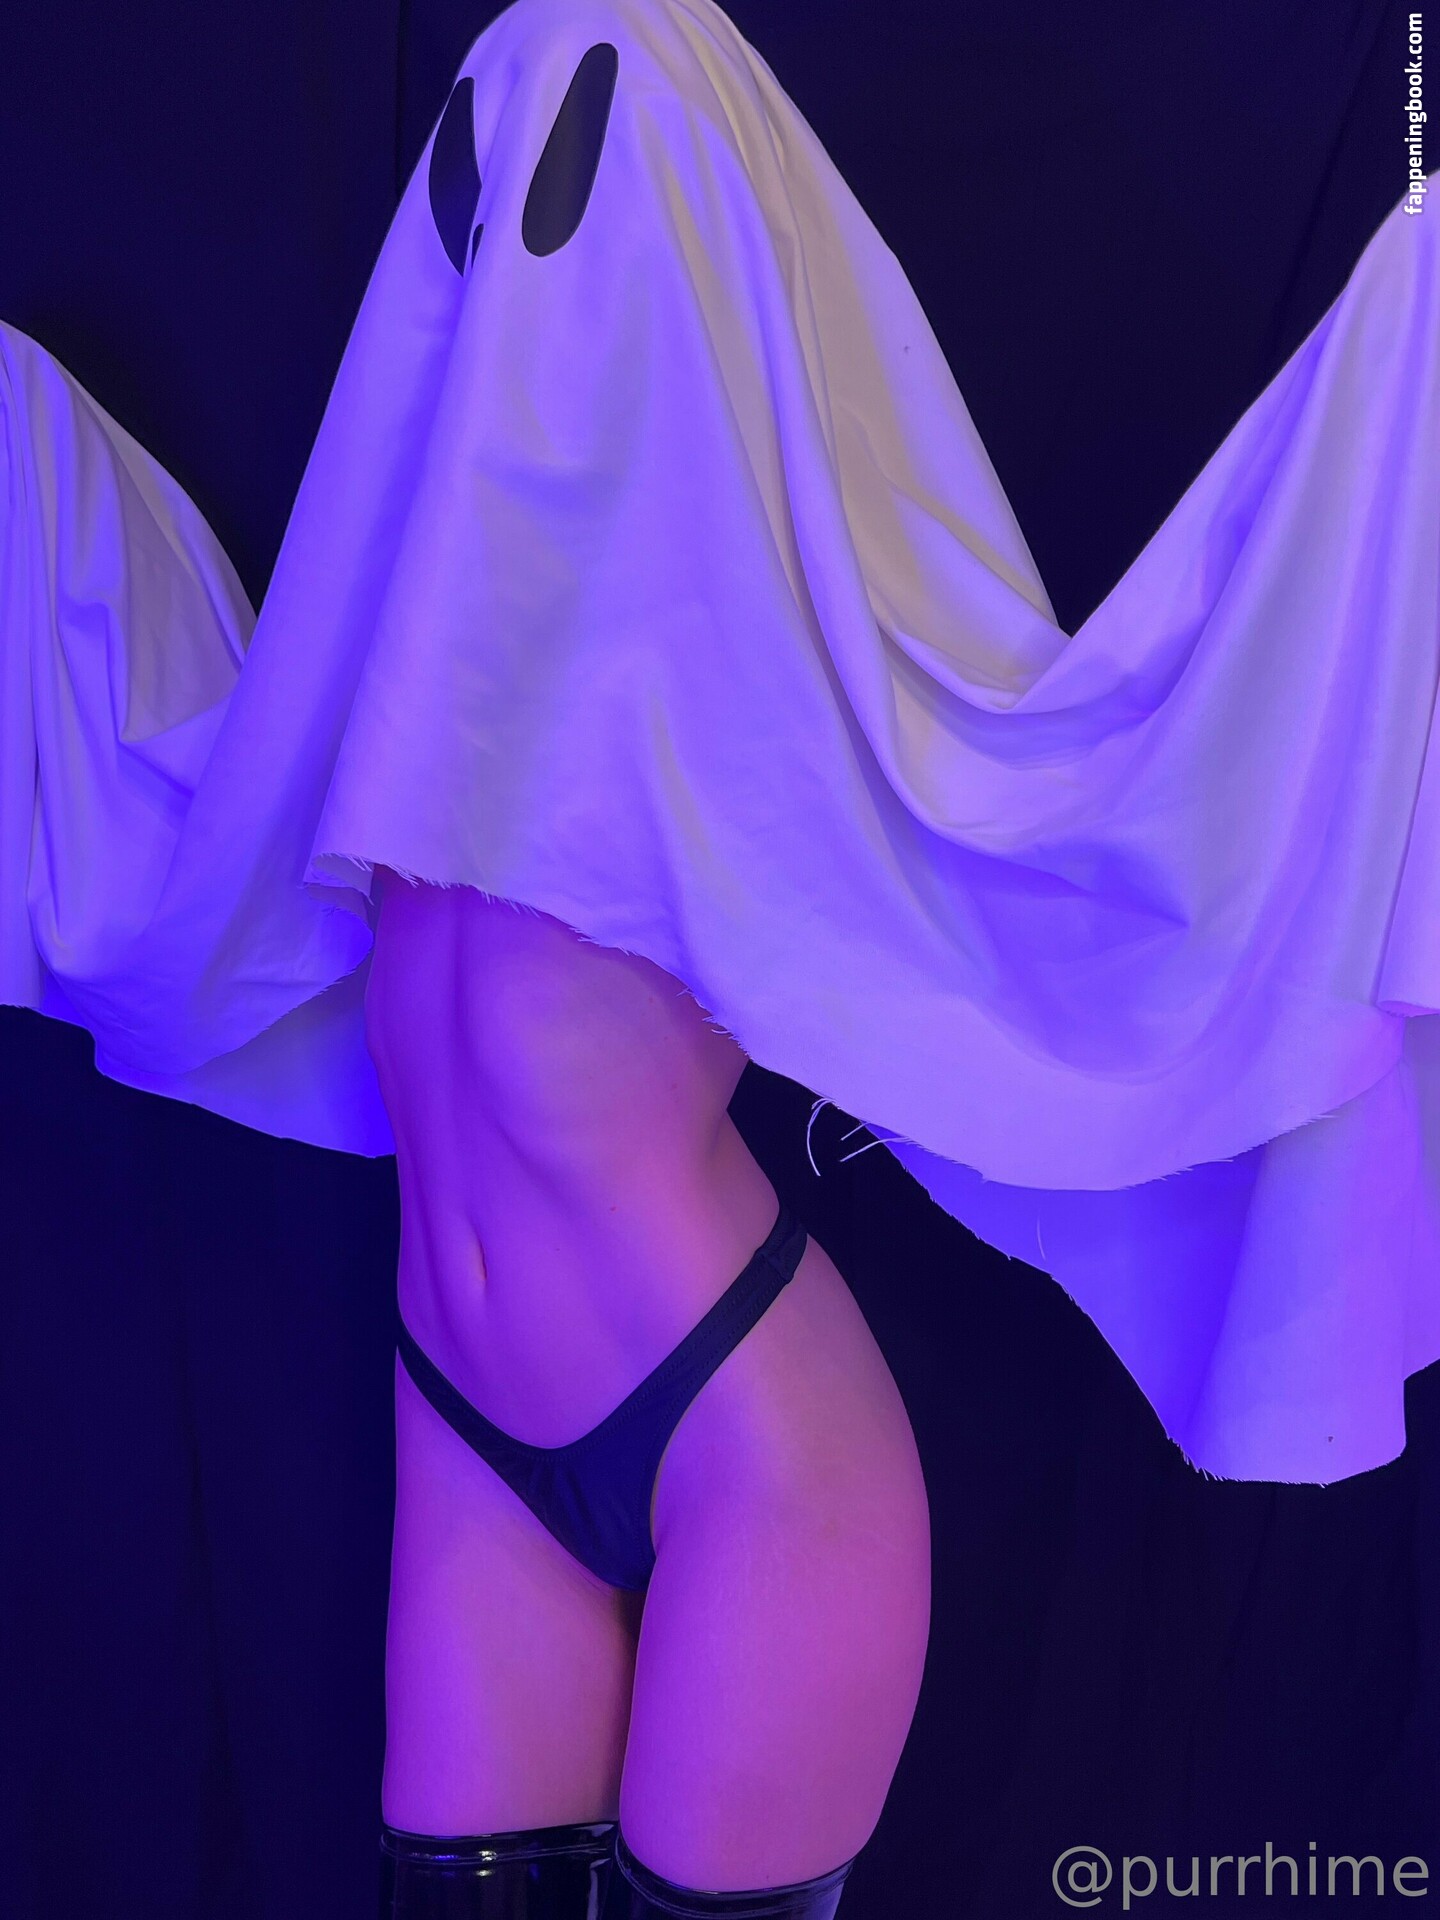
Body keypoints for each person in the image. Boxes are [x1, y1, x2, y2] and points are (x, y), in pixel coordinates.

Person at [3, 0, 1437, 1912]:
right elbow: (204, 839)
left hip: (740, 1445)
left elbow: (1019, 821)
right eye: (482, 181)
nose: (516, 256)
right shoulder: (392, 681)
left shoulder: (730, 675)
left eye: (580, 176)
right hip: (466, 1429)